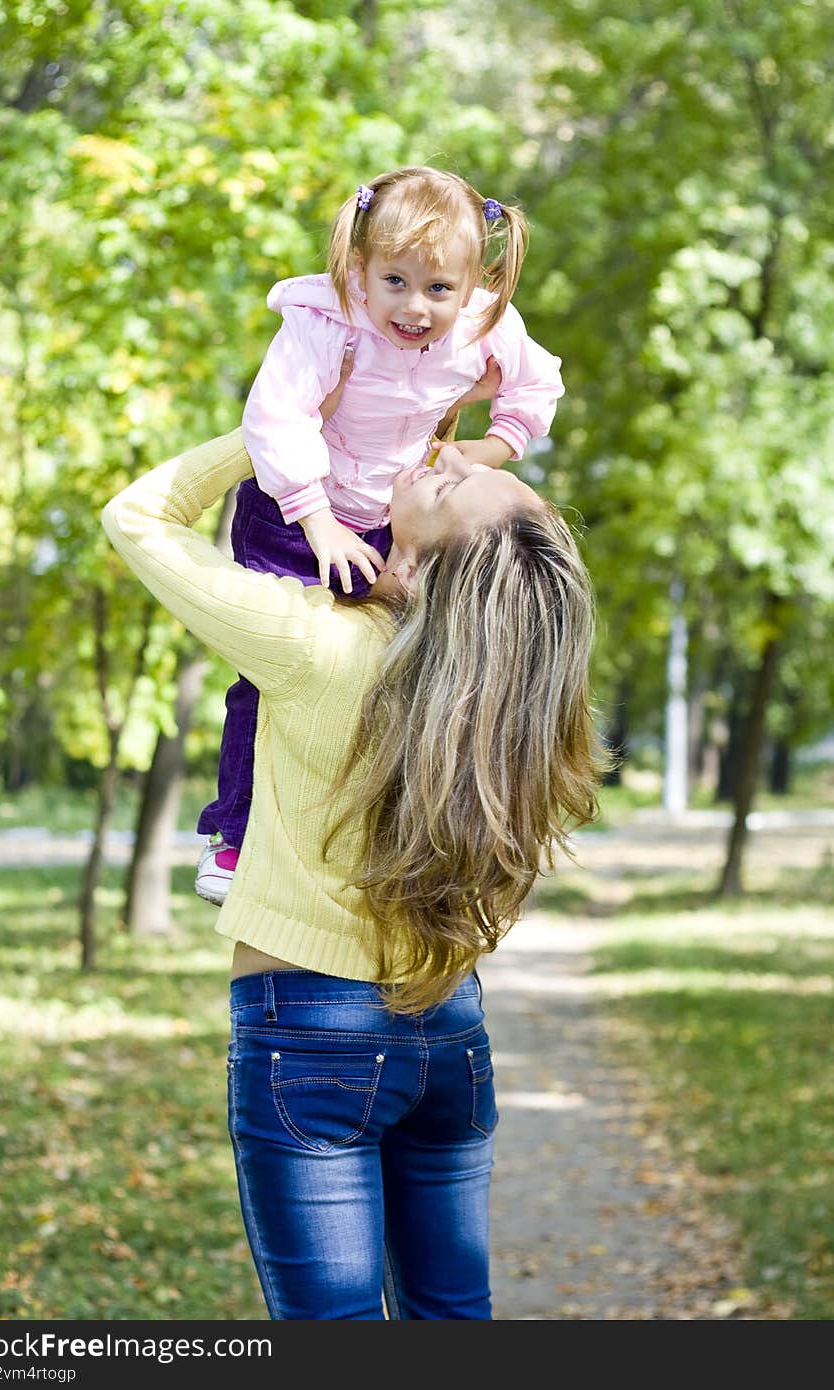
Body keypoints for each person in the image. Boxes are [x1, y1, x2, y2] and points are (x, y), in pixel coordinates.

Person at [101, 417, 603, 1320]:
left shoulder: (317, 647)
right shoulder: (514, 719)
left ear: (415, 570)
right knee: (451, 1321)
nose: (448, 458)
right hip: (449, 1031)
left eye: (447, 486)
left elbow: (138, 517)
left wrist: (280, 426)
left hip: (310, 1038)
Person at [195, 165, 565, 904]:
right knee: (271, 676)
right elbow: (277, 417)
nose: (415, 308)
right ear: (360, 265)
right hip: (298, 515)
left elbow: (537, 386)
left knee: (397, 671)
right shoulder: (326, 321)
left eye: (438, 290)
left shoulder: (485, 324)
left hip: (391, 523)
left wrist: (487, 449)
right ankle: (236, 835)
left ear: (474, 283)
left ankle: (395, 829)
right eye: (394, 281)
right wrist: (317, 520)